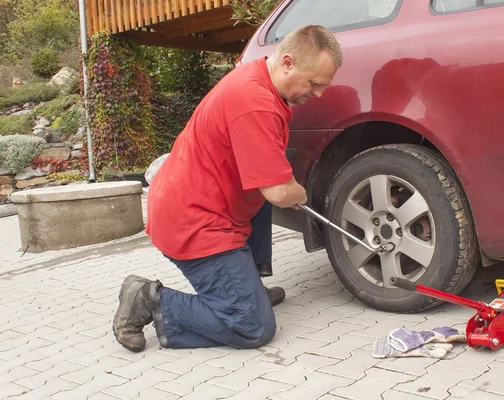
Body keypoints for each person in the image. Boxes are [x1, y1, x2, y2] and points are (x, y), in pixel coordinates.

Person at [112, 24, 343, 352]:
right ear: (288, 62)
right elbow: (279, 192)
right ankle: (148, 299)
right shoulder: (254, 102)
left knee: (267, 181)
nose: (317, 93)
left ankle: (248, 286)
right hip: (193, 221)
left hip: (200, 202)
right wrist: (299, 193)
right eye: (314, 83)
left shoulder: (261, 79)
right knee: (253, 325)